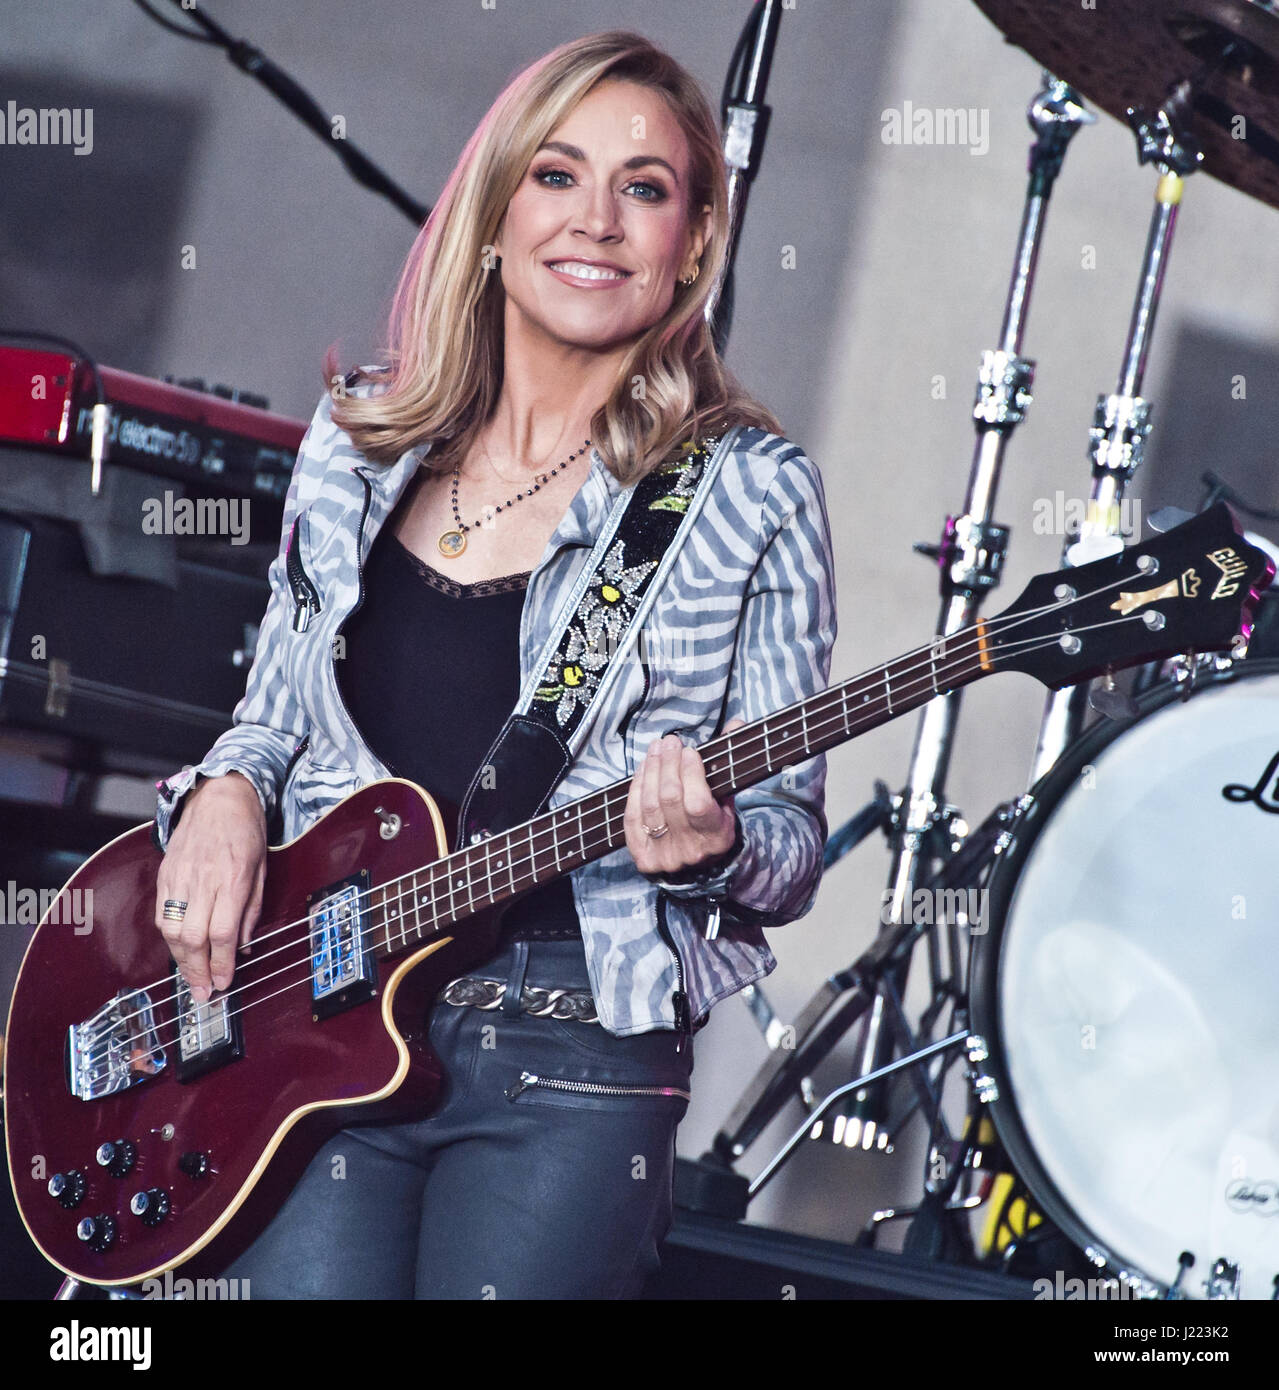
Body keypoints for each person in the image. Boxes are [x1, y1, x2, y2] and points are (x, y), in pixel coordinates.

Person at [151, 29, 837, 1300]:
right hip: (314, 1017)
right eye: (558, 176)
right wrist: (227, 794)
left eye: (644, 188)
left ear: (691, 243)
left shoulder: (746, 490)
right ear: (495, 211)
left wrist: (723, 839)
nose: (597, 220)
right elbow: (270, 715)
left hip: (569, 1056)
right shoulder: (358, 440)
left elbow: (794, 842)